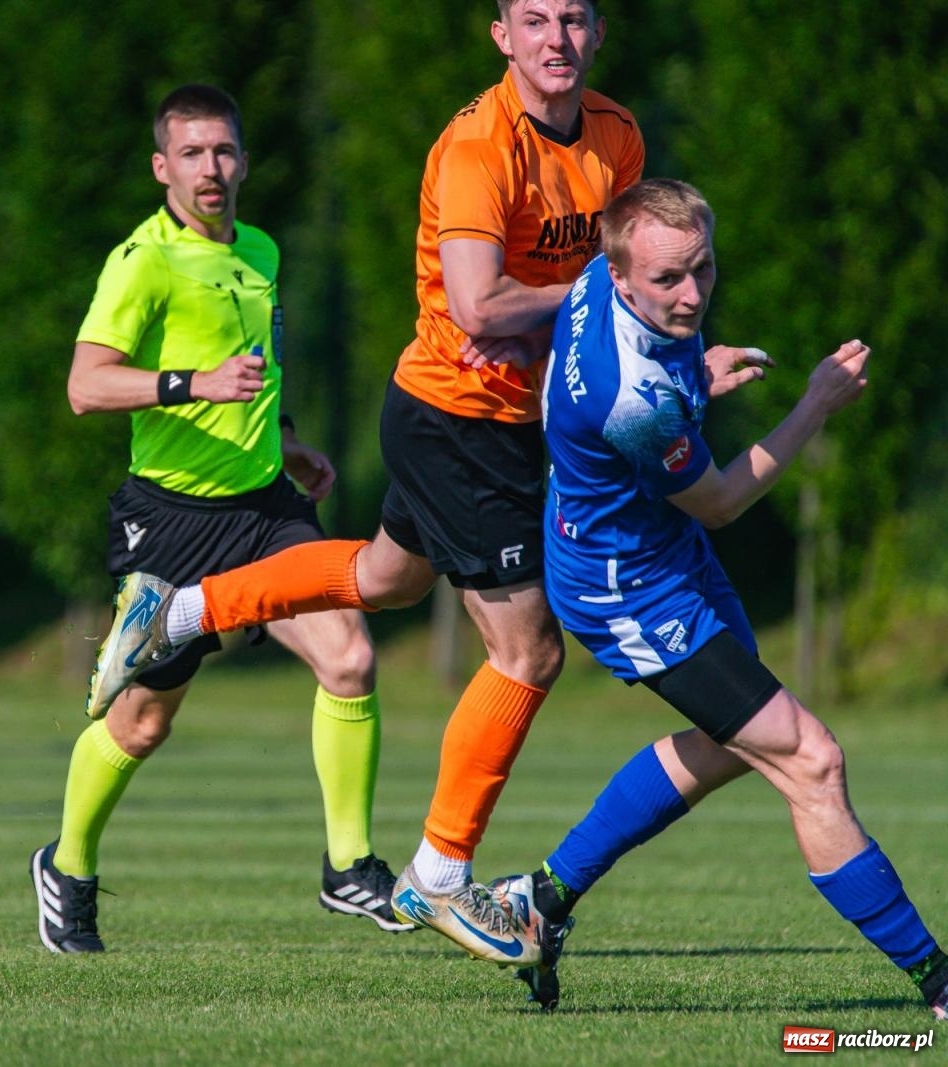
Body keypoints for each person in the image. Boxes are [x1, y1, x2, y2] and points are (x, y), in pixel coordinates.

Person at [85, 0, 660, 966]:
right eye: (535, 20)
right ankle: (439, 876)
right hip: (455, 417)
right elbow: (481, 306)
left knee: (387, 582)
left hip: (518, 421)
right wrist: (608, 291)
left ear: (597, 32)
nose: (556, 37)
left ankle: (180, 611)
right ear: (502, 36)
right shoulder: (478, 148)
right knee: (528, 653)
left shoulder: (617, 137)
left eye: (573, 18)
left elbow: (645, 276)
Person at [486, 177, 947, 1018]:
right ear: (621, 275)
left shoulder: (601, 280)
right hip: (628, 586)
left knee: (737, 740)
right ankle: (939, 982)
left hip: (660, 548)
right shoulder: (632, 398)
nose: (692, 293)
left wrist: (694, 370)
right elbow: (725, 498)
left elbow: (627, 382)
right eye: (668, 281)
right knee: (812, 758)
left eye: (702, 269)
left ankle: (542, 900)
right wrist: (816, 402)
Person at [29, 84, 411, 954]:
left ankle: (348, 867)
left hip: (268, 508)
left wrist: (286, 436)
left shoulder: (264, 251)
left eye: (225, 151)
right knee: (143, 724)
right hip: (170, 520)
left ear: (244, 159)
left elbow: (252, 370)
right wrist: (192, 386)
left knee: (350, 656)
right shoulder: (142, 262)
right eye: (193, 154)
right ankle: (68, 864)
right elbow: (86, 385)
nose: (212, 168)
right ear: (163, 167)